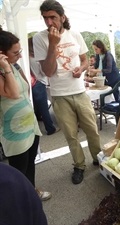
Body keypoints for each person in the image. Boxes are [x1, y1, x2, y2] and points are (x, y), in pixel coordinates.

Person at [33, 0, 101, 184]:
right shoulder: (40, 39)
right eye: (45, 18)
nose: (49, 22)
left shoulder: (75, 34)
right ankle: (79, 165)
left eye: (53, 17)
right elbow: (47, 71)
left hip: (79, 91)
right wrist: (52, 45)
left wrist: (82, 69)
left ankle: (98, 159)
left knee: (92, 130)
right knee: (71, 135)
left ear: (62, 17)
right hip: (59, 95)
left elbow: (85, 60)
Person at [0, 27, 51, 200]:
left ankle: (32, 193)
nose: (20, 55)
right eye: (16, 52)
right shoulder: (4, 71)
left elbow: (26, 87)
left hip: (29, 125)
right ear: (2, 54)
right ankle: (21, 203)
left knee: (30, 163)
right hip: (14, 132)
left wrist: (12, 65)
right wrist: (6, 66)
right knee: (18, 172)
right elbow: (14, 94)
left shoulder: (14, 66)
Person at [28, 37, 60, 135]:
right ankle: (50, 128)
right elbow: (44, 72)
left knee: (37, 106)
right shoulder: (36, 58)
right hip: (39, 82)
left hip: (33, 83)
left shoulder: (28, 57)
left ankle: (39, 118)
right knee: (44, 108)